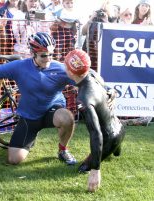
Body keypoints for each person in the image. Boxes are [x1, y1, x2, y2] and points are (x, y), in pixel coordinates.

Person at [0, 32, 78, 165]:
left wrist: (92, 80)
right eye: (43, 55)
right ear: (33, 53)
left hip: (52, 111)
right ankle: (31, 137)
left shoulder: (60, 68)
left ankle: (63, 150)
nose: (48, 59)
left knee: (67, 117)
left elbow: (81, 78)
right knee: (14, 160)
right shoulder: (20, 67)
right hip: (30, 117)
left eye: (51, 54)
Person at [64, 49, 125, 192]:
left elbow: (96, 134)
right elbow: (107, 88)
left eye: (65, 65)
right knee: (114, 147)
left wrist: (95, 170)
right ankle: (116, 148)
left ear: (71, 72)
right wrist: (113, 91)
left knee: (82, 168)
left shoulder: (84, 98)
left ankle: (113, 148)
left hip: (110, 138)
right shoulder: (92, 73)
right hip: (120, 126)